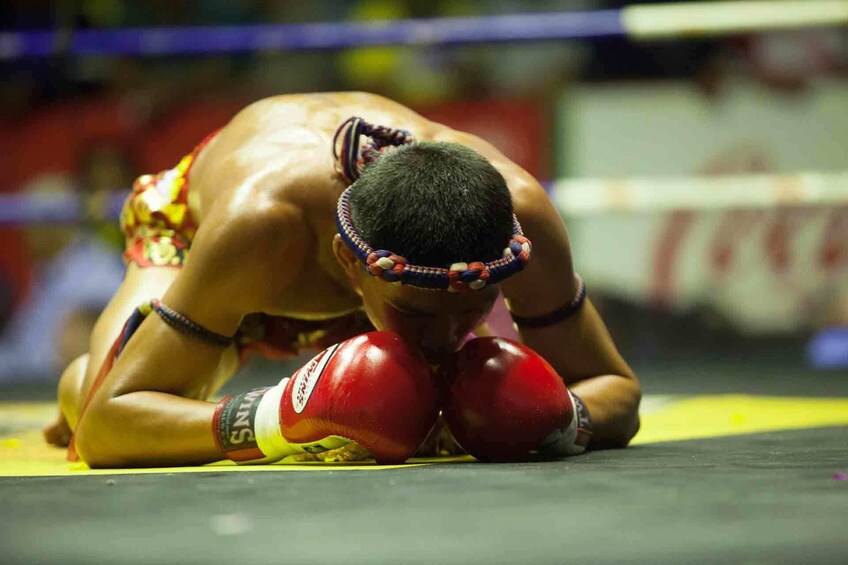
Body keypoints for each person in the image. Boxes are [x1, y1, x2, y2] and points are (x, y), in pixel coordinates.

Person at [45, 92, 641, 467]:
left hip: (353, 275)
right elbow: (110, 427)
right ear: (351, 263)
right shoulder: (259, 227)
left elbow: (615, 387)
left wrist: (557, 417)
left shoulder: (517, 219)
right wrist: (282, 417)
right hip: (196, 236)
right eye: (420, 317)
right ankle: (80, 381)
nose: (444, 341)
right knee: (92, 394)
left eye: (472, 310)